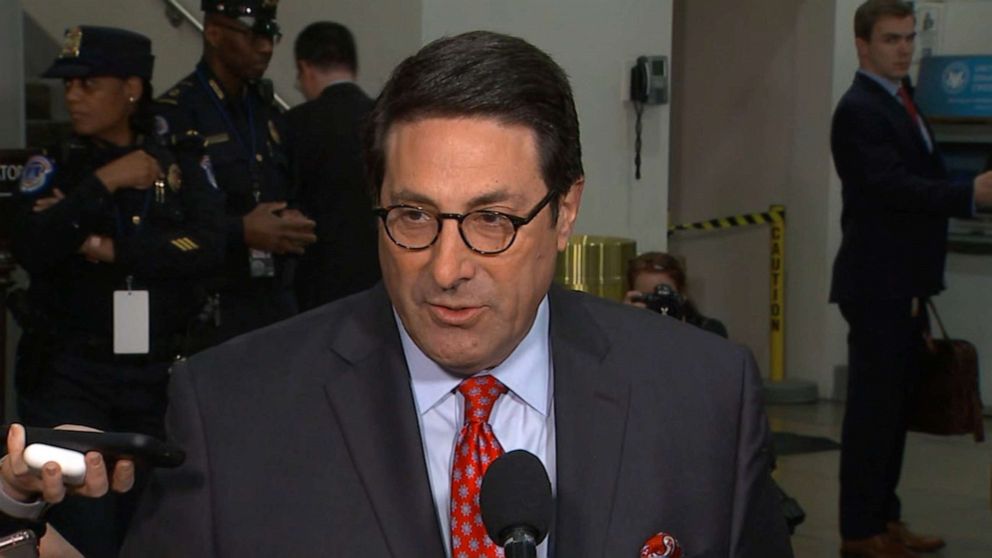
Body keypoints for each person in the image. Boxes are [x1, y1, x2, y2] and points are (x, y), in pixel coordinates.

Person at [116, 31, 792, 557]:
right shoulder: (233, 410)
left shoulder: (703, 398)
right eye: (413, 216)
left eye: (492, 220)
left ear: (564, 212)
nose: (446, 268)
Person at [6, 25, 225, 556]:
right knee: (83, 521)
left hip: (157, 374)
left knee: (157, 524)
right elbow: (32, 244)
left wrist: (115, 251)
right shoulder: (56, 164)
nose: (73, 95)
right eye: (68, 85)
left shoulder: (174, 163)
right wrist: (102, 185)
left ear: (132, 88)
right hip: (73, 372)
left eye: (88, 83)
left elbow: (210, 244)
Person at [830, 2, 992, 556]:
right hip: (877, 283)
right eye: (892, 39)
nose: (904, 49)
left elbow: (922, 176)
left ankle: (885, 517)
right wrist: (970, 195)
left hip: (906, 282)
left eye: (908, 39)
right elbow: (891, 188)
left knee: (895, 409)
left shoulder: (902, 101)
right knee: (873, 414)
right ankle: (860, 530)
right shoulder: (859, 110)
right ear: (862, 45)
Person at [154, 0, 316, 346]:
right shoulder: (178, 114)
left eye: (271, 35)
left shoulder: (266, 112)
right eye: (253, 36)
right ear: (213, 33)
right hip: (210, 304)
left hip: (273, 300)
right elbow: (163, 225)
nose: (266, 48)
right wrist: (239, 231)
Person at [287, 21, 381, 311]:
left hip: (318, 282)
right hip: (379, 277)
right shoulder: (386, 121)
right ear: (353, 66)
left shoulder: (294, 124)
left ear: (304, 68)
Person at [623, 251, 728, 338]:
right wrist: (624, 322)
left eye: (664, 296)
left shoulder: (708, 331)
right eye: (649, 297)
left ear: (682, 294)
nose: (659, 304)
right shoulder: (622, 332)